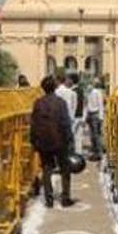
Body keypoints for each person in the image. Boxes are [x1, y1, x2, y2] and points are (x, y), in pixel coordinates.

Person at [30, 76, 75, 208]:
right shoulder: (60, 102)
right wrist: (69, 138)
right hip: (60, 140)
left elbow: (34, 123)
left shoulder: (38, 103)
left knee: (46, 169)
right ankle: (65, 198)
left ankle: (49, 199)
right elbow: (65, 122)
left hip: (44, 141)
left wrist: (33, 141)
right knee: (65, 169)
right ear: (55, 87)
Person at [84, 78, 105, 161]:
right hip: (90, 114)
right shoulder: (89, 93)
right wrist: (85, 116)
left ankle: (99, 152)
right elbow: (86, 104)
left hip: (95, 114)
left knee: (97, 135)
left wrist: (101, 116)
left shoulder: (97, 92)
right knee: (92, 134)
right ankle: (94, 150)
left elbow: (100, 104)